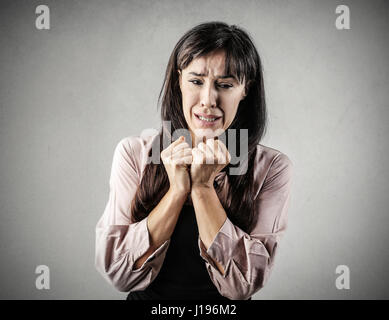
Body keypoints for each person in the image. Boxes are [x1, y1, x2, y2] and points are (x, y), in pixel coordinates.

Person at [95, 21, 293, 300]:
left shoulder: (272, 167)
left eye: (225, 85)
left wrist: (202, 187)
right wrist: (177, 190)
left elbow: (243, 285)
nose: (208, 100)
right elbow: (119, 273)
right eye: (196, 81)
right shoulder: (134, 154)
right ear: (178, 80)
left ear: (245, 89)